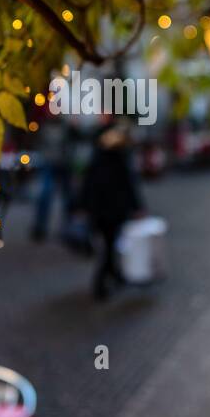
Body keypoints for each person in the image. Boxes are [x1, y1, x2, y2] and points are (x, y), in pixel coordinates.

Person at [80, 119, 145, 300]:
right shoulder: (117, 159)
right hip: (111, 210)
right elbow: (129, 184)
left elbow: (88, 184)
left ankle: (115, 276)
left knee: (110, 245)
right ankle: (102, 283)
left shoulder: (98, 159)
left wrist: (83, 206)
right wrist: (138, 206)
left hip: (103, 210)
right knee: (109, 247)